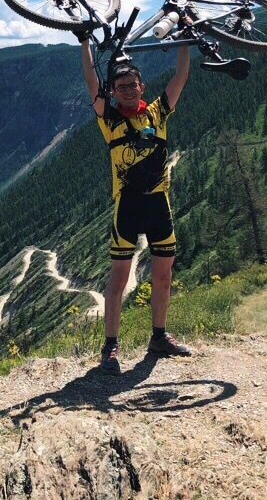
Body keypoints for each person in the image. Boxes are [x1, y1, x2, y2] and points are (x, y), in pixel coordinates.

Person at [78, 30, 191, 375]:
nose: (127, 90)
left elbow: (181, 75)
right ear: (113, 92)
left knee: (163, 276)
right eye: (120, 86)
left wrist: (184, 39)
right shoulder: (109, 119)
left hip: (158, 205)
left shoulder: (158, 112)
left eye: (133, 84)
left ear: (142, 87)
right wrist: (85, 43)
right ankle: (110, 347)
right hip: (126, 207)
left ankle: (159, 336)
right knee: (118, 281)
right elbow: (90, 80)